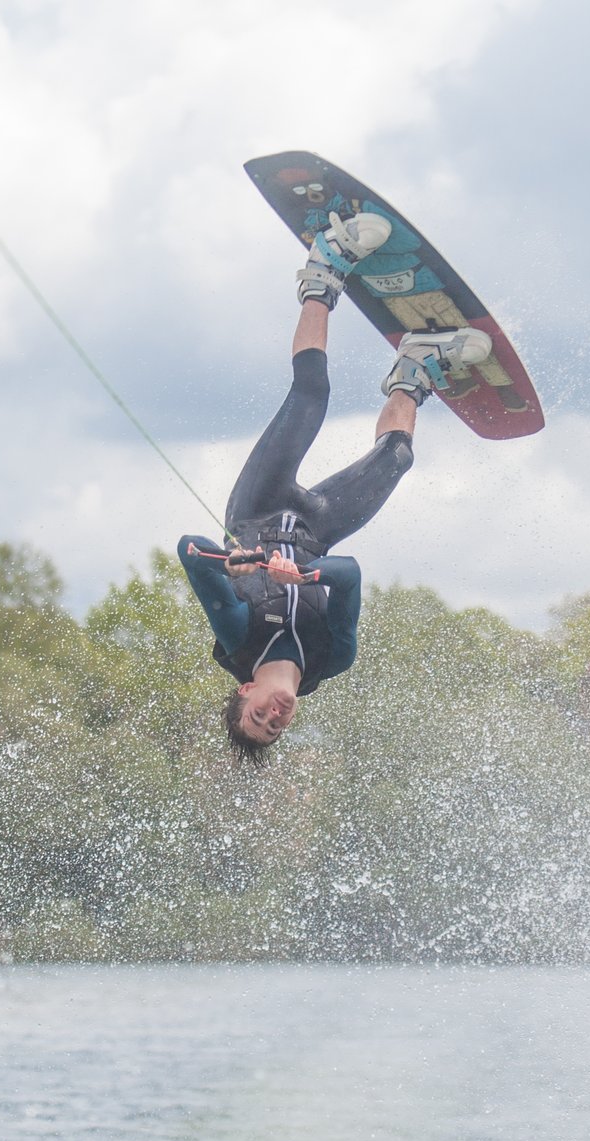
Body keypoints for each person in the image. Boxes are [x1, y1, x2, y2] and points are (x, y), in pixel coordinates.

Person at [178, 211, 491, 762]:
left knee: (311, 397)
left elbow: (187, 551)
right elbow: (348, 577)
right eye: (275, 729)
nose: (275, 716)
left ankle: (323, 272)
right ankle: (415, 373)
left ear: (245, 690)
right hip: (316, 532)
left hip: (258, 507)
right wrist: (301, 570)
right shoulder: (332, 658)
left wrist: (234, 563)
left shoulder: (238, 636)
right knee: (396, 457)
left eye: (258, 717)